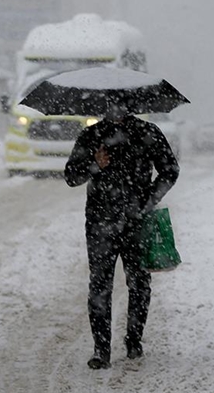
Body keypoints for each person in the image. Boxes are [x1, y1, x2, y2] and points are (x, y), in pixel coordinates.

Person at [65, 102, 179, 370]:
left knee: (139, 283)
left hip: (137, 223)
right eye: (110, 104)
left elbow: (170, 170)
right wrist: (95, 164)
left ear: (129, 106)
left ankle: (134, 341)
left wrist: (148, 201)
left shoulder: (147, 132)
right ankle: (101, 350)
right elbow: (71, 176)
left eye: (120, 104)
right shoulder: (91, 135)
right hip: (100, 223)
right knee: (100, 285)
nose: (115, 110)